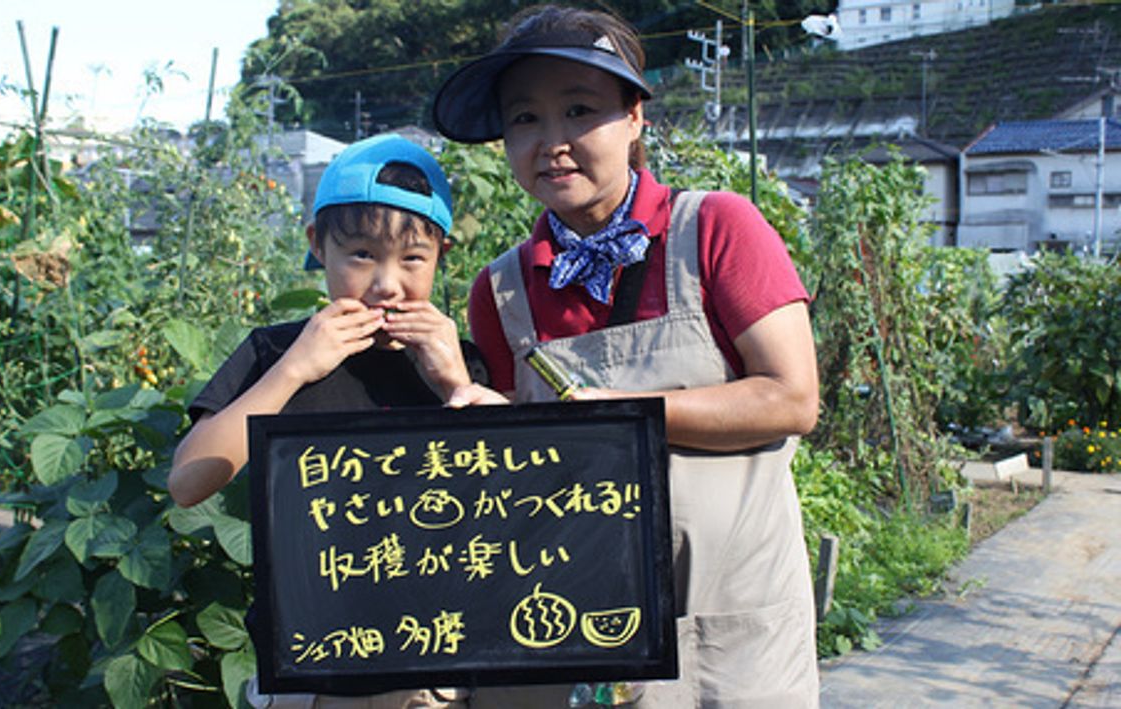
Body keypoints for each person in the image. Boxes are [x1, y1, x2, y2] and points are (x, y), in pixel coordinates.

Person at [432, 5, 820, 707]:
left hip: (725, 622)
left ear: (635, 115)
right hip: (564, 622)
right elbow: (526, 455)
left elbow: (792, 397)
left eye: (580, 110)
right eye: (524, 119)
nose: (552, 142)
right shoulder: (503, 287)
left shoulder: (715, 228)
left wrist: (621, 415)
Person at [169, 133, 490, 709]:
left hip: (435, 667)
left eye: (413, 258)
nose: (387, 283)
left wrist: (456, 383)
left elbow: (526, 498)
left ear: (442, 252)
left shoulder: (461, 361)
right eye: (361, 254)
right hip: (310, 667)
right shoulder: (275, 353)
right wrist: (294, 370)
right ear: (318, 245)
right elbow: (189, 482)